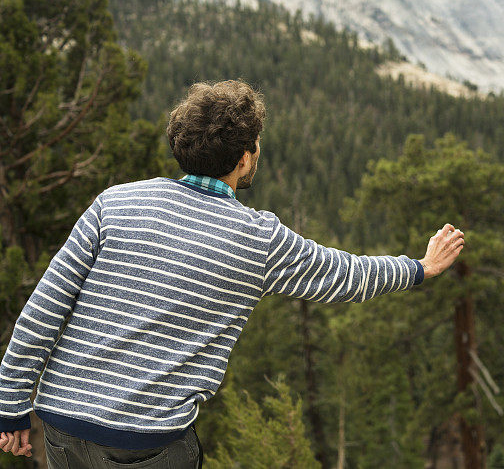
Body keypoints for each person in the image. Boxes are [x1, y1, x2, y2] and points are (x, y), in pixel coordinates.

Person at [0, 80, 465, 467]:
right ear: (244, 157)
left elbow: (44, 309)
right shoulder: (257, 237)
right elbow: (342, 275)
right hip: (146, 441)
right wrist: (419, 268)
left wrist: (12, 407)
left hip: (61, 424)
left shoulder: (116, 202)